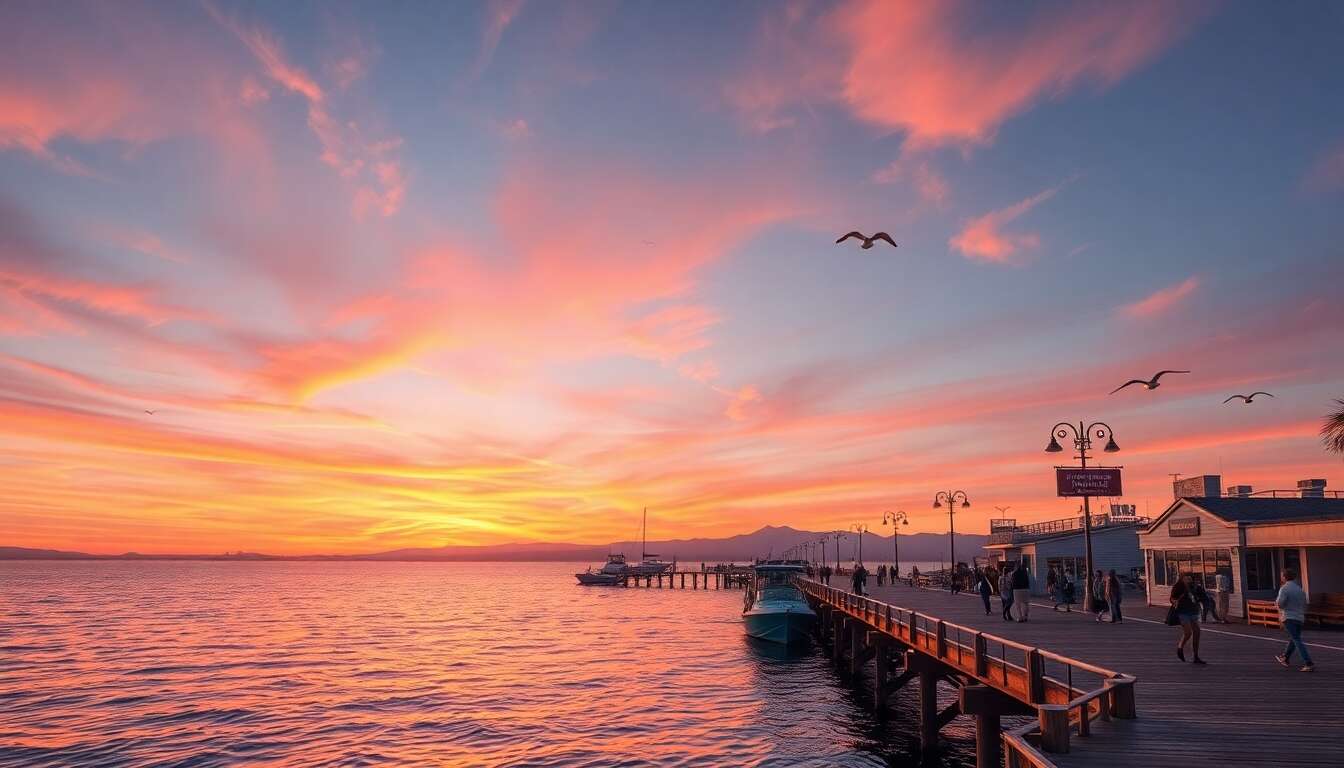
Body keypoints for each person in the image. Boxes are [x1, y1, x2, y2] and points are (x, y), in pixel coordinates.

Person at [1275, 568, 1314, 672]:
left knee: (1297, 640)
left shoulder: (1284, 589)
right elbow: (1304, 603)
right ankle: (1285, 658)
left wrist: (1278, 606)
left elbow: (1280, 604)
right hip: (1300, 617)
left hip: (1289, 617)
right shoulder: (1299, 589)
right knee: (1294, 638)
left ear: (1284, 577)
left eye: (1282, 575)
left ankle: (1308, 662)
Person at [1170, 572, 1206, 664]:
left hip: (1193, 611)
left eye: (1190, 578)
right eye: (1186, 578)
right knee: (1188, 632)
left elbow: (1202, 596)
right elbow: (1172, 598)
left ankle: (1196, 656)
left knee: (1197, 631)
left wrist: (1199, 598)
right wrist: (1176, 601)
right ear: (1182, 579)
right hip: (1183, 612)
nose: (1188, 580)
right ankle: (1180, 647)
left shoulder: (1195, 587)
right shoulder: (1178, 587)